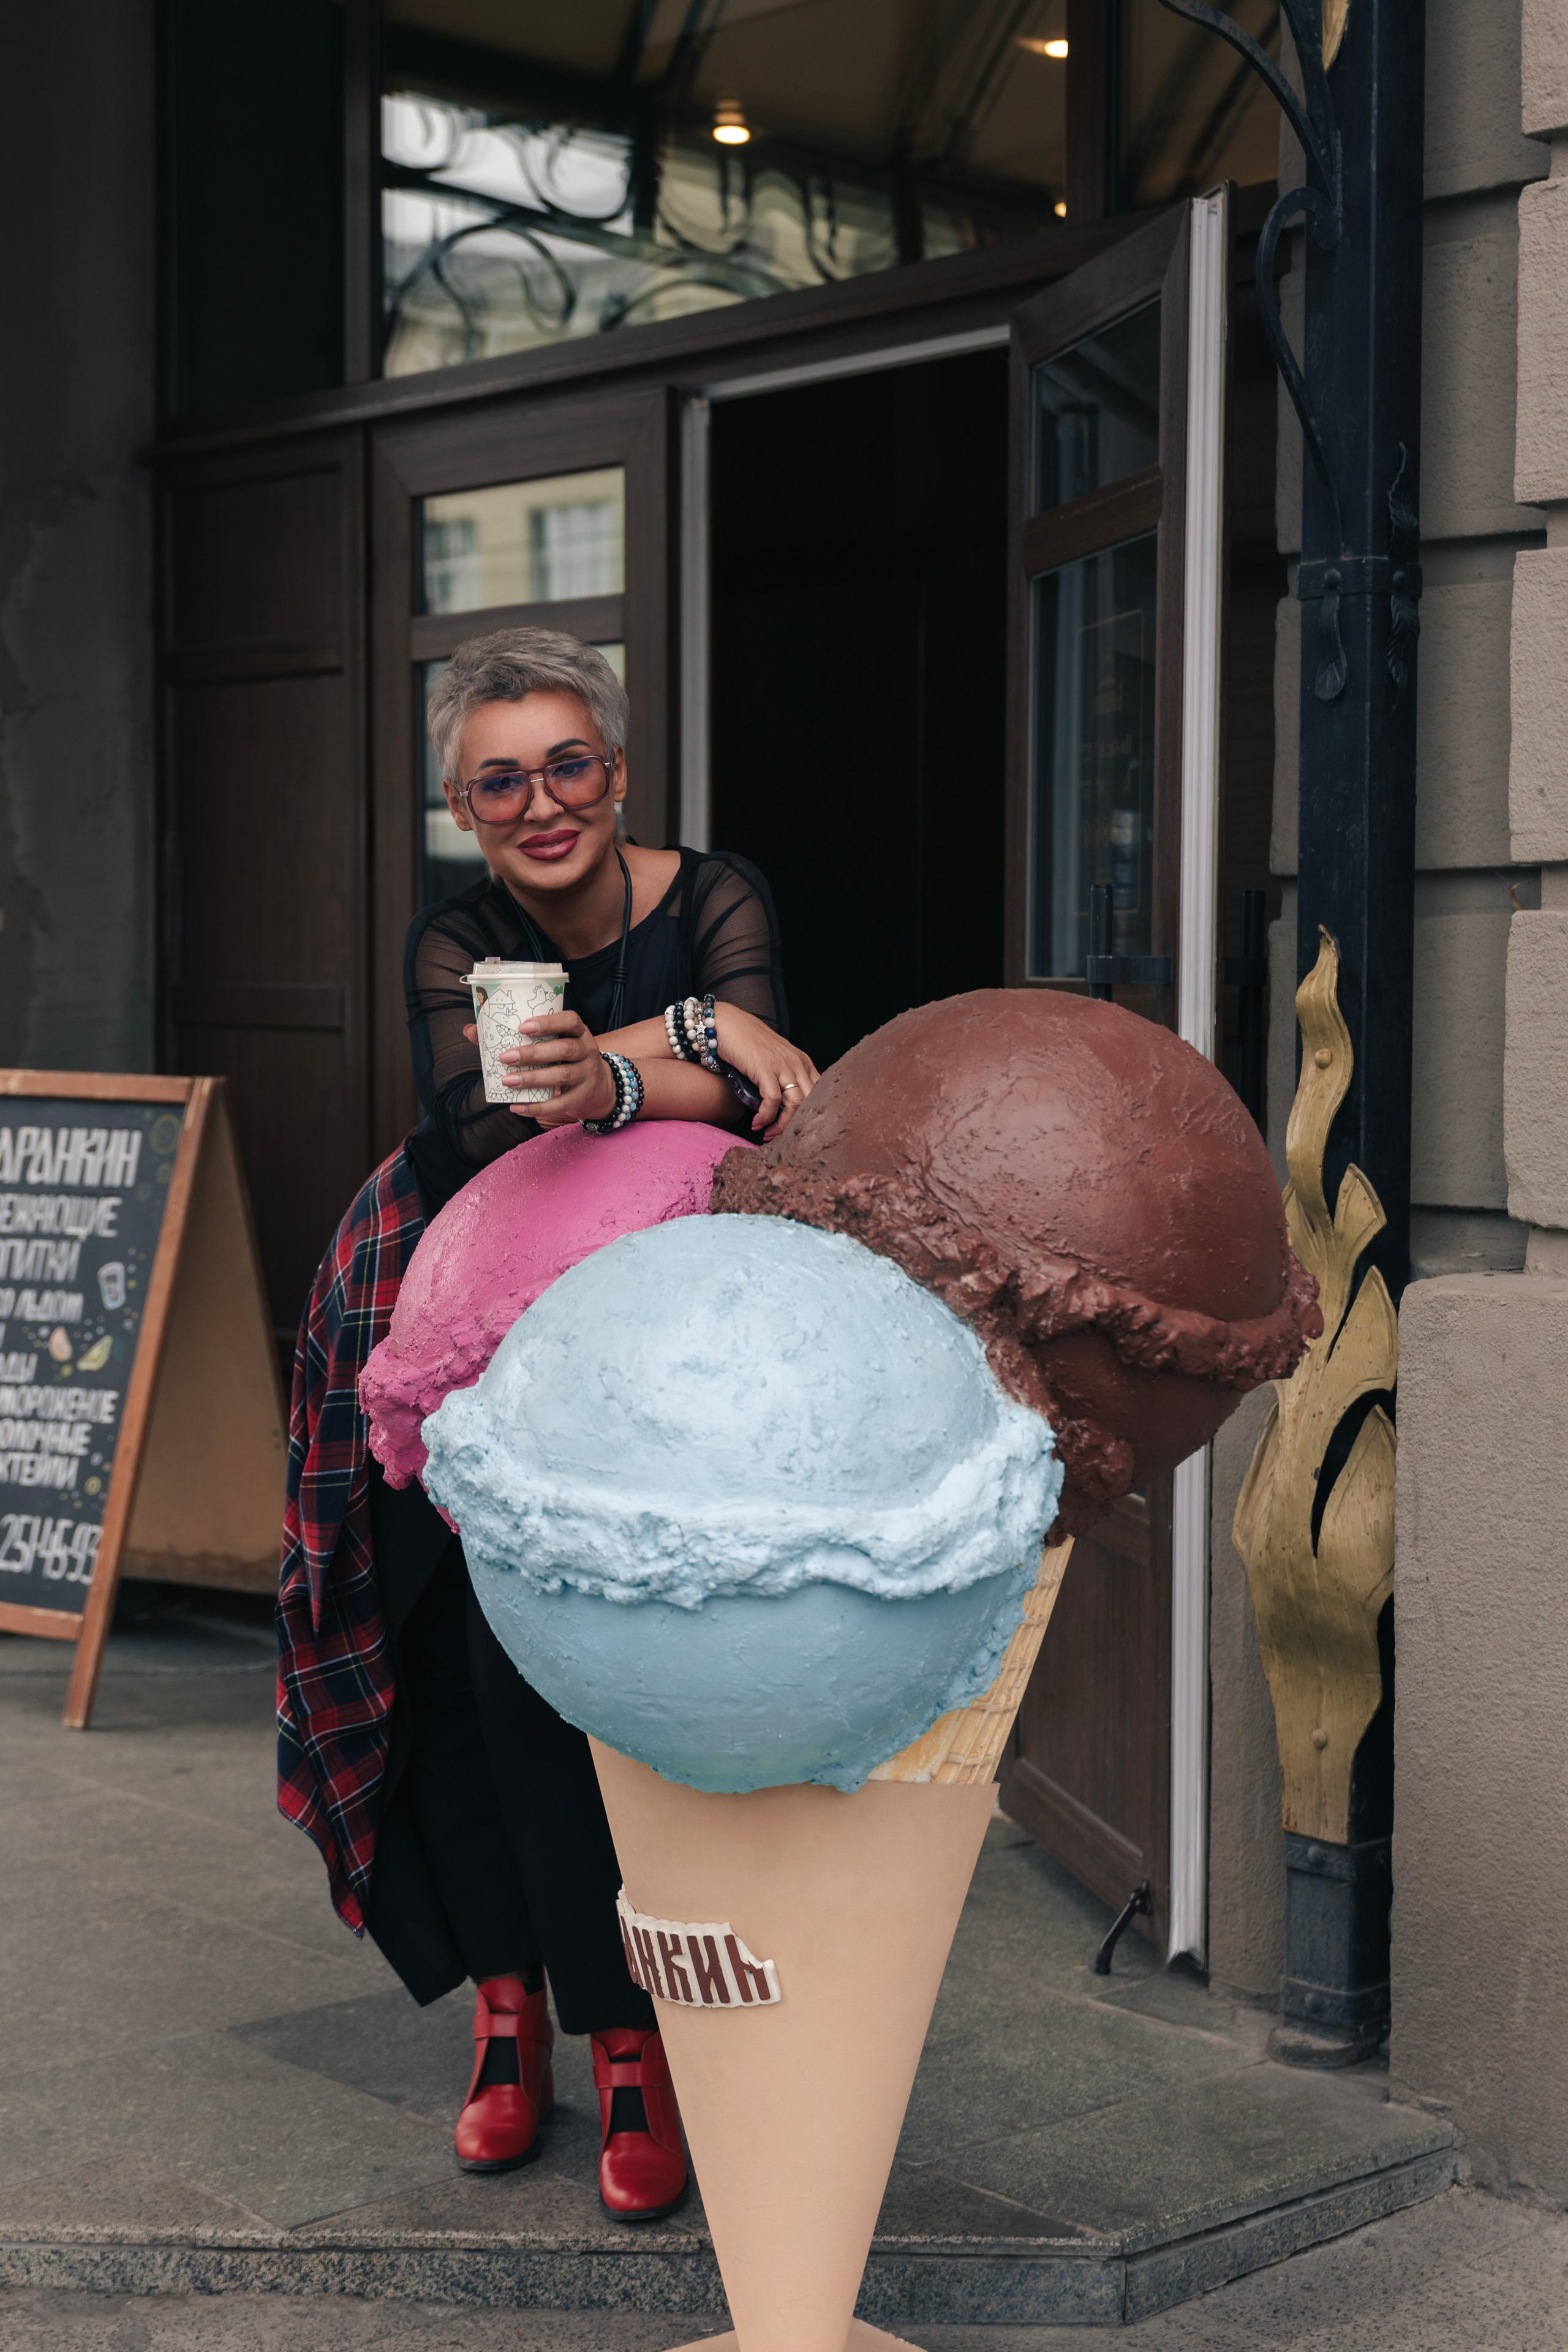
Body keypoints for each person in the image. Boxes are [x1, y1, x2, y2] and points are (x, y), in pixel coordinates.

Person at [277, 628, 819, 2219]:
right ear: (461, 801)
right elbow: (484, 1114)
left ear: (620, 768)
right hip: (438, 1317)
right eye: (499, 778)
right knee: (449, 1670)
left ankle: (626, 2039)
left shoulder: (718, 895)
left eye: (567, 763)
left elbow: (778, 1098)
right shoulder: (455, 933)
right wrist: (702, 1041)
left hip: (649, 1341)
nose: (541, 801)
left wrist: (649, 1069)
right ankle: (504, 2018)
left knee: (583, 1691)